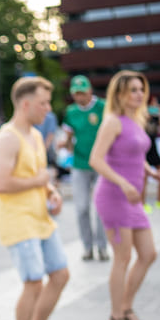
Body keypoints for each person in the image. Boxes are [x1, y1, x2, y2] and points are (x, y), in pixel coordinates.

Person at [0, 76, 70, 320]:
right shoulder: (8, 137)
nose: (48, 109)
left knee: (60, 275)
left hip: (40, 217)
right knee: (33, 283)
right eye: (43, 103)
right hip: (18, 221)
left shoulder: (35, 135)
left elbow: (40, 177)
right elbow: (1, 182)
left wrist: (52, 193)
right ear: (26, 104)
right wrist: (41, 181)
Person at [90, 71, 159, 320]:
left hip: (132, 198)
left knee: (149, 254)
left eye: (141, 89)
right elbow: (96, 159)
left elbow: (133, 154)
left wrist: (150, 171)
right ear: (119, 93)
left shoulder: (135, 120)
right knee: (123, 257)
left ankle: (127, 307)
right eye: (132, 90)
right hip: (114, 196)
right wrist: (124, 183)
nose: (139, 94)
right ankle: (116, 316)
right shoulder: (112, 122)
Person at [62, 75, 109, 261]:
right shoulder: (71, 111)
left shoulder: (102, 107)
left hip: (101, 164)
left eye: (82, 92)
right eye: (76, 93)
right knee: (81, 207)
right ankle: (87, 247)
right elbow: (68, 135)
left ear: (90, 90)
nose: (79, 97)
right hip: (80, 164)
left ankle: (102, 247)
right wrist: (64, 145)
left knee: (100, 208)